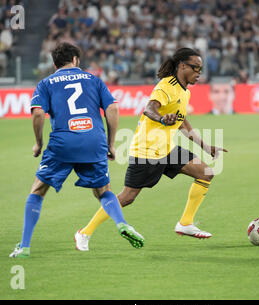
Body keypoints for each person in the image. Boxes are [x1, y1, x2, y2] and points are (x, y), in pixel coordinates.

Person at [74, 48, 228, 251]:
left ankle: (185, 223)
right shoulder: (166, 86)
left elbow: (182, 123)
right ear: (182, 66)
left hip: (167, 148)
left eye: (201, 68)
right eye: (195, 68)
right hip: (146, 151)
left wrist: (205, 146)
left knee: (205, 172)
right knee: (127, 197)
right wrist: (163, 118)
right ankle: (84, 233)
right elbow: (149, 108)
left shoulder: (184, 91)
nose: (199, 72)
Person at [9, 43, 144, 258]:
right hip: (93, 140)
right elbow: (113, 108)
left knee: (38, 191)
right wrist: (110, 143)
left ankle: (24, 246)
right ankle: (121, 223)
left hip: (63, 142)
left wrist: (38, 143)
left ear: (54, 64)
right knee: (103, 191)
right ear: (76, 60)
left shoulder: (46, 83)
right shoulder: (93, 80)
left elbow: (37, 114)